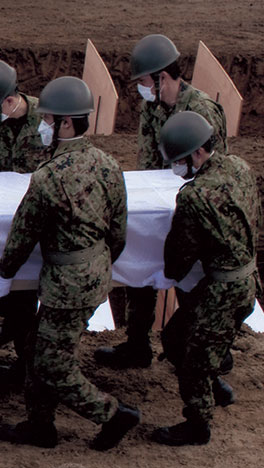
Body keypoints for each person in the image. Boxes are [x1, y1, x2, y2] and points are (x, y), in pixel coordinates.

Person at [0, 76, 140, 452]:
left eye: (48, 119)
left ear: (66, 123)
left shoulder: (49, 177)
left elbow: (23, 234)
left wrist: (4, 275)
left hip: (67, 285)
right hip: (94, 274)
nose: (42, 126)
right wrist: (99, 264)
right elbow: (119, 230)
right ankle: (40, 425)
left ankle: (112, 414)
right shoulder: (108, 165)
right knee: (38, 346)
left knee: (53, 363)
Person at [95, 33, 228, 371]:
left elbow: (214, 173)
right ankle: (137, 346)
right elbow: (148, 164)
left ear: (162, 77)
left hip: (192, 211)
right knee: (140, 275)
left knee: (191, 281)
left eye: (143, 80)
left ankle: (208, 355)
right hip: (160, 209)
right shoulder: (152, 108)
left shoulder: (202, 112)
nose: (140, 88)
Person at [151, 112, 260, 446]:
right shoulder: (239, 167)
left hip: (223, 291)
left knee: (194, 362)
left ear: (197, 153)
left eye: (179, 160)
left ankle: (198, 426)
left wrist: (167, 275)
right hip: (246, 280)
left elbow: (180, 253)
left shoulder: (194, 196)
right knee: (174, 338)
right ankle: (217, 388)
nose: (176, 168)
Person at [0, 58, 50, 383]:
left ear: (11, 101)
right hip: (0, 217)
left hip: (39, 217)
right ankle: (17, 323)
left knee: (28, 285)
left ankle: (26, 358)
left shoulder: (47, 119)